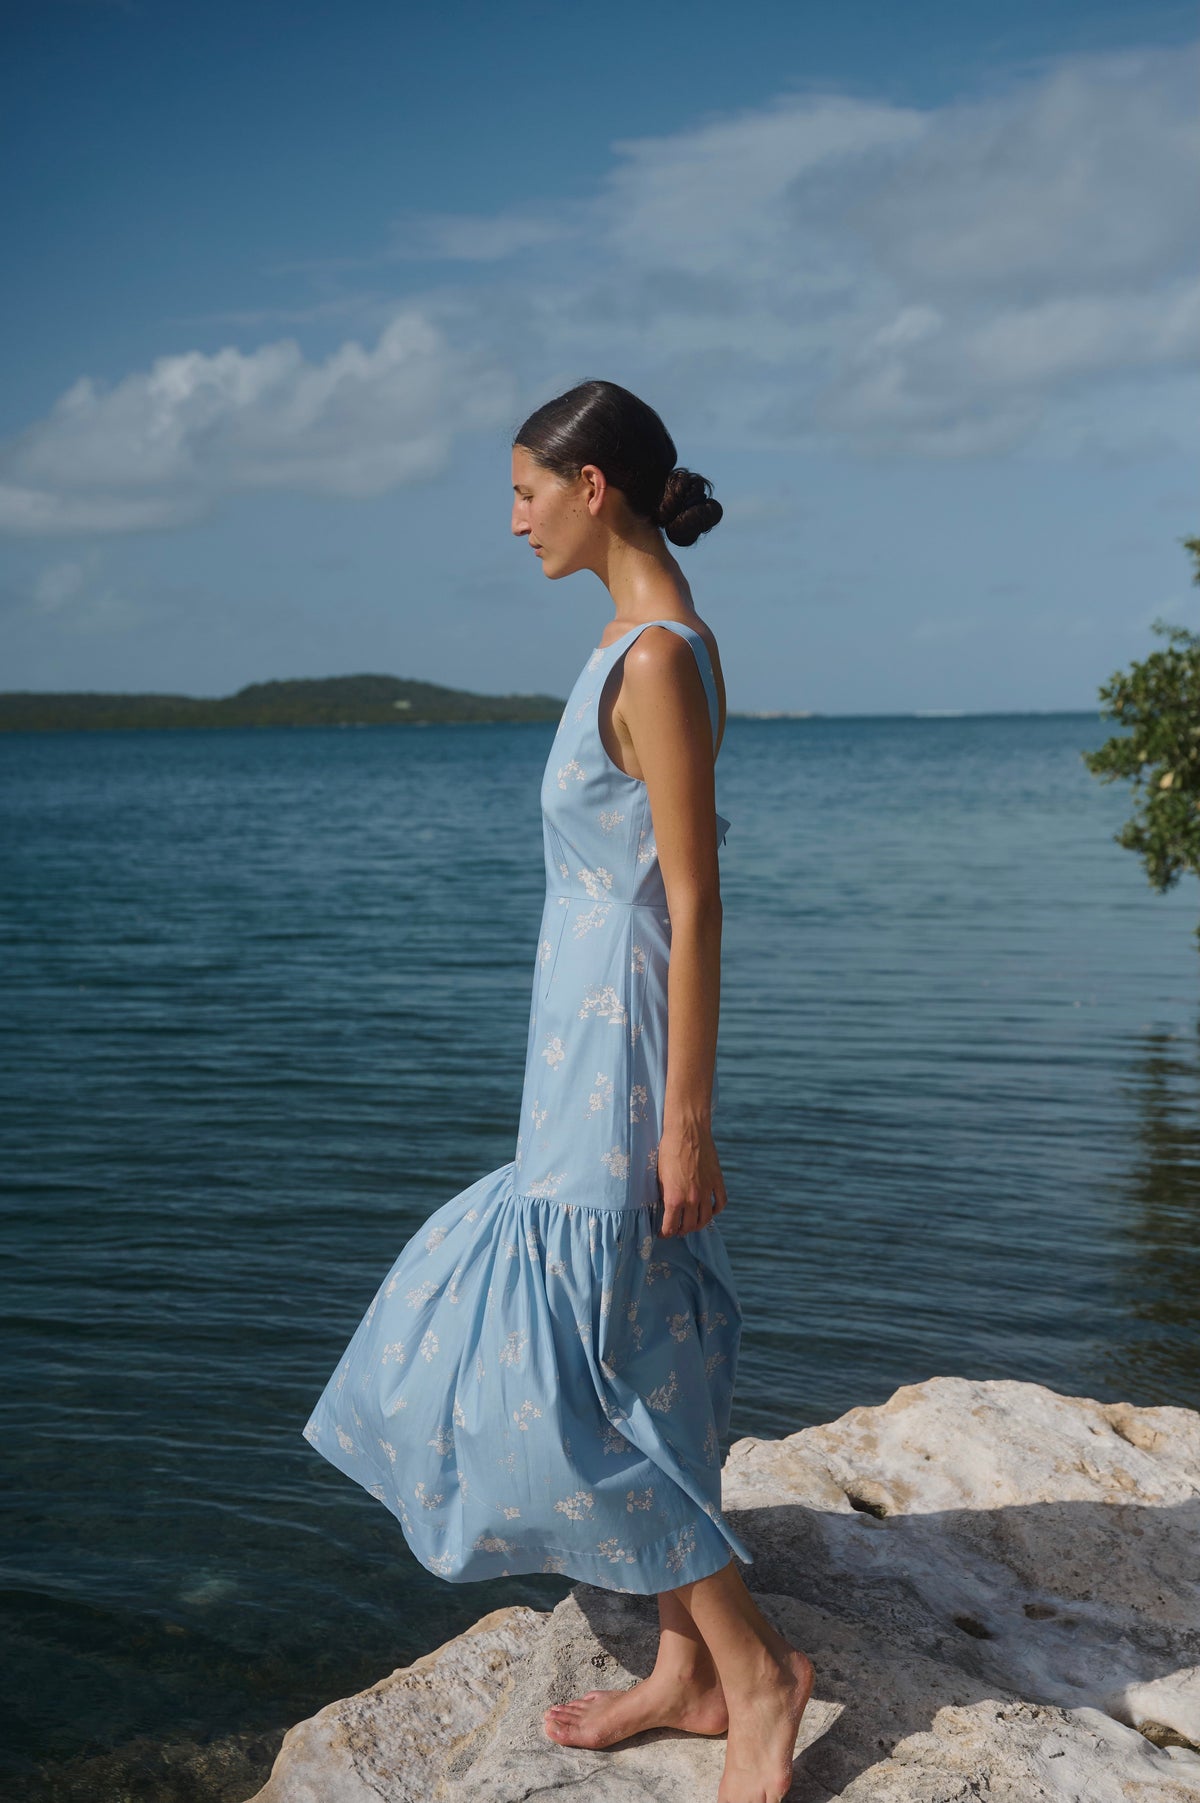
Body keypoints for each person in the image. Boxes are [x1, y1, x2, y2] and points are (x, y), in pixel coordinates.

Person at [302, 379, 814, 1802]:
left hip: (622, 1053)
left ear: (595, 488)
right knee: (629, 1338)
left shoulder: (655, 655)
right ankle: (686, 1667)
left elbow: (698, 902)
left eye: (528, 490)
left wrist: (687, 1118)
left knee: (575, 1365)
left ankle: (757, 1669)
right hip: (580, 1040)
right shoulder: (647, 644)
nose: (515, 519)